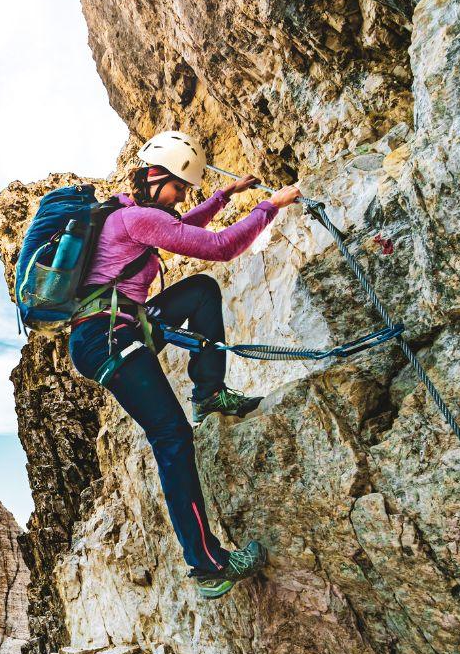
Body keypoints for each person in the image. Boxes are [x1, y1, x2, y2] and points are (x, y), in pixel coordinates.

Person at [68, 131, 301, 599]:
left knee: (200, 291)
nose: (181, 198)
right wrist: (269, 207)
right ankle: (208, 564)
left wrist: (221, 197)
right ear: (156, 177)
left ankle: (210, 391)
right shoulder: (135, 219)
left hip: (112, 329)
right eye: (179, 188)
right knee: (172, 436)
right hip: (109, 337)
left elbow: (177, 229)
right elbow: (215, 247)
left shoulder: (124, 214)